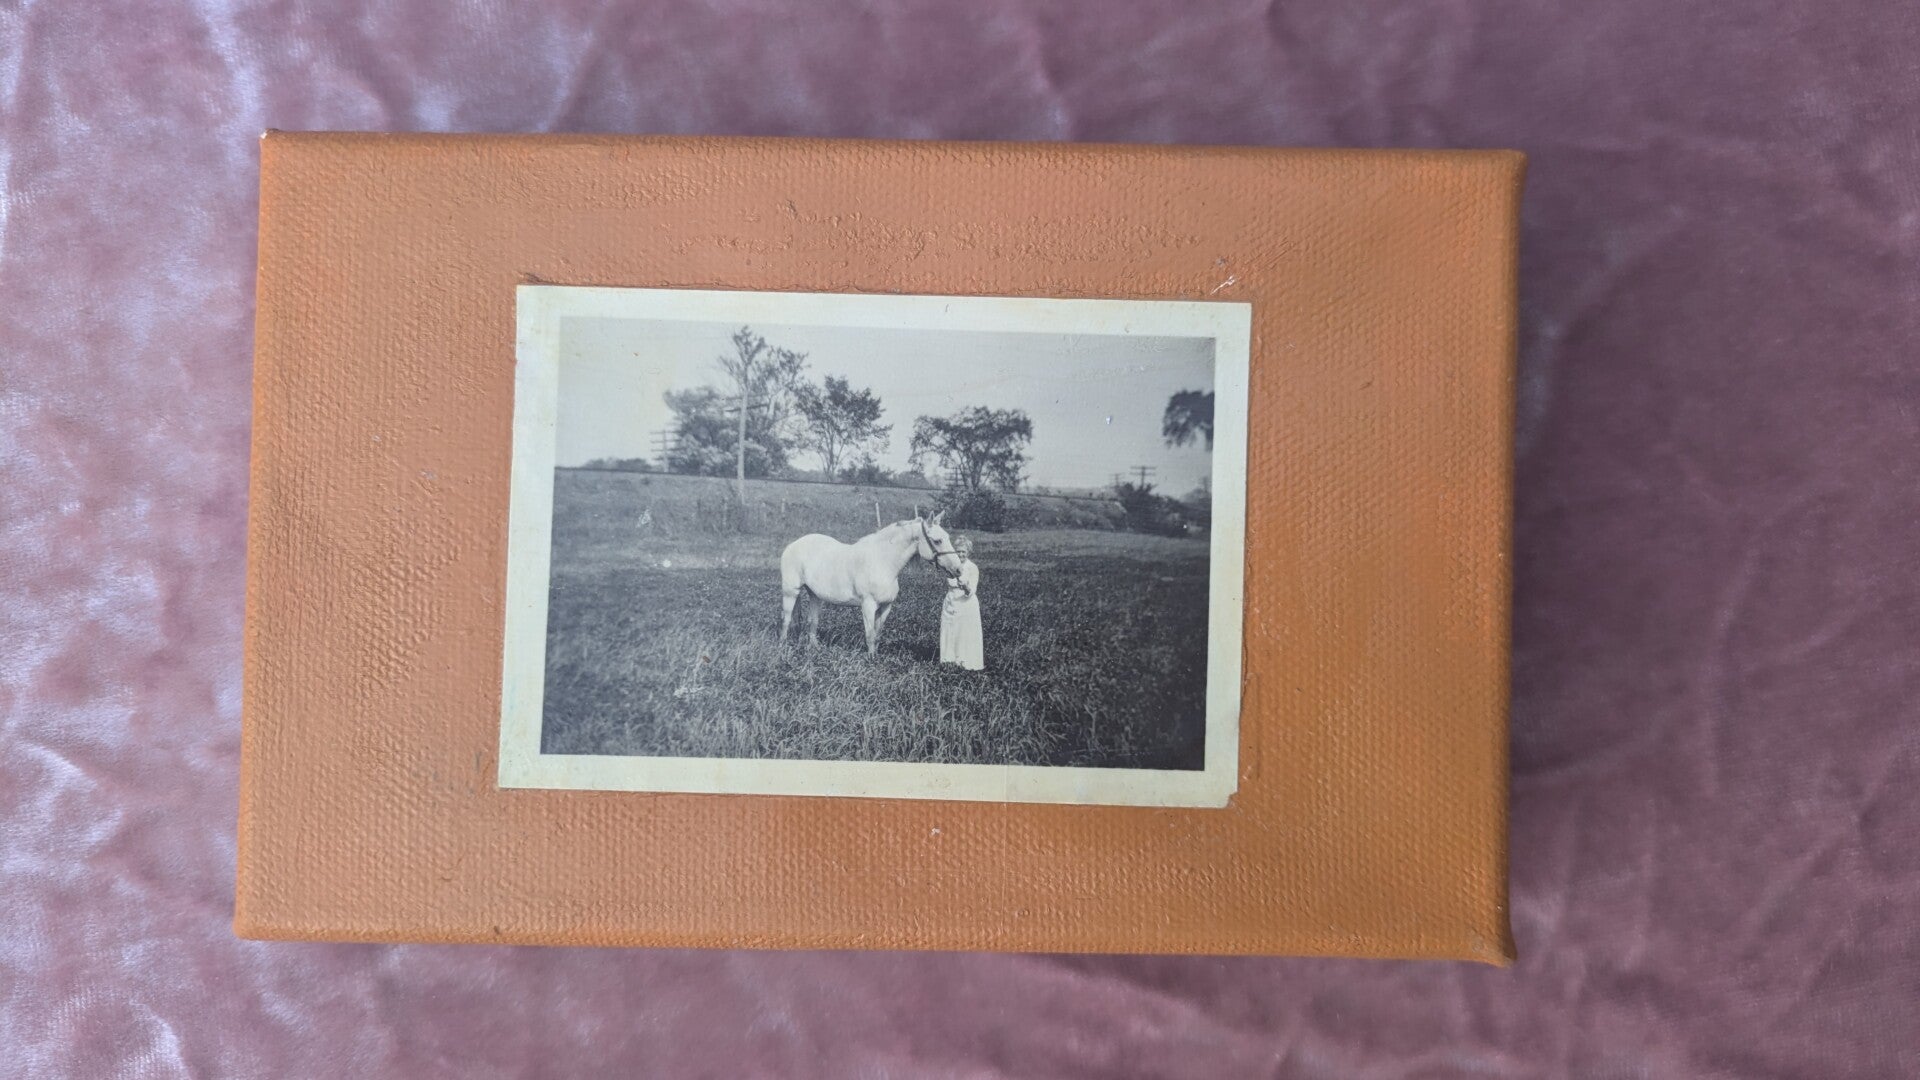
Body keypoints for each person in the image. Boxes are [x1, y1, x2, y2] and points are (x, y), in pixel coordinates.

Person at [939, 534, 984, 671]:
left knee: (964, 634)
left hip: (966, 604)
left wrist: (965, 586)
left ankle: (966, 665)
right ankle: (948, 663)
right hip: (951, 602)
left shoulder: (972, 568)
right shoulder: (952, 566)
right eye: (958, 551)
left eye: (963, 551)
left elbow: (972, 591)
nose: (960, 554)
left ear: (968, 552)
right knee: (949, 631)